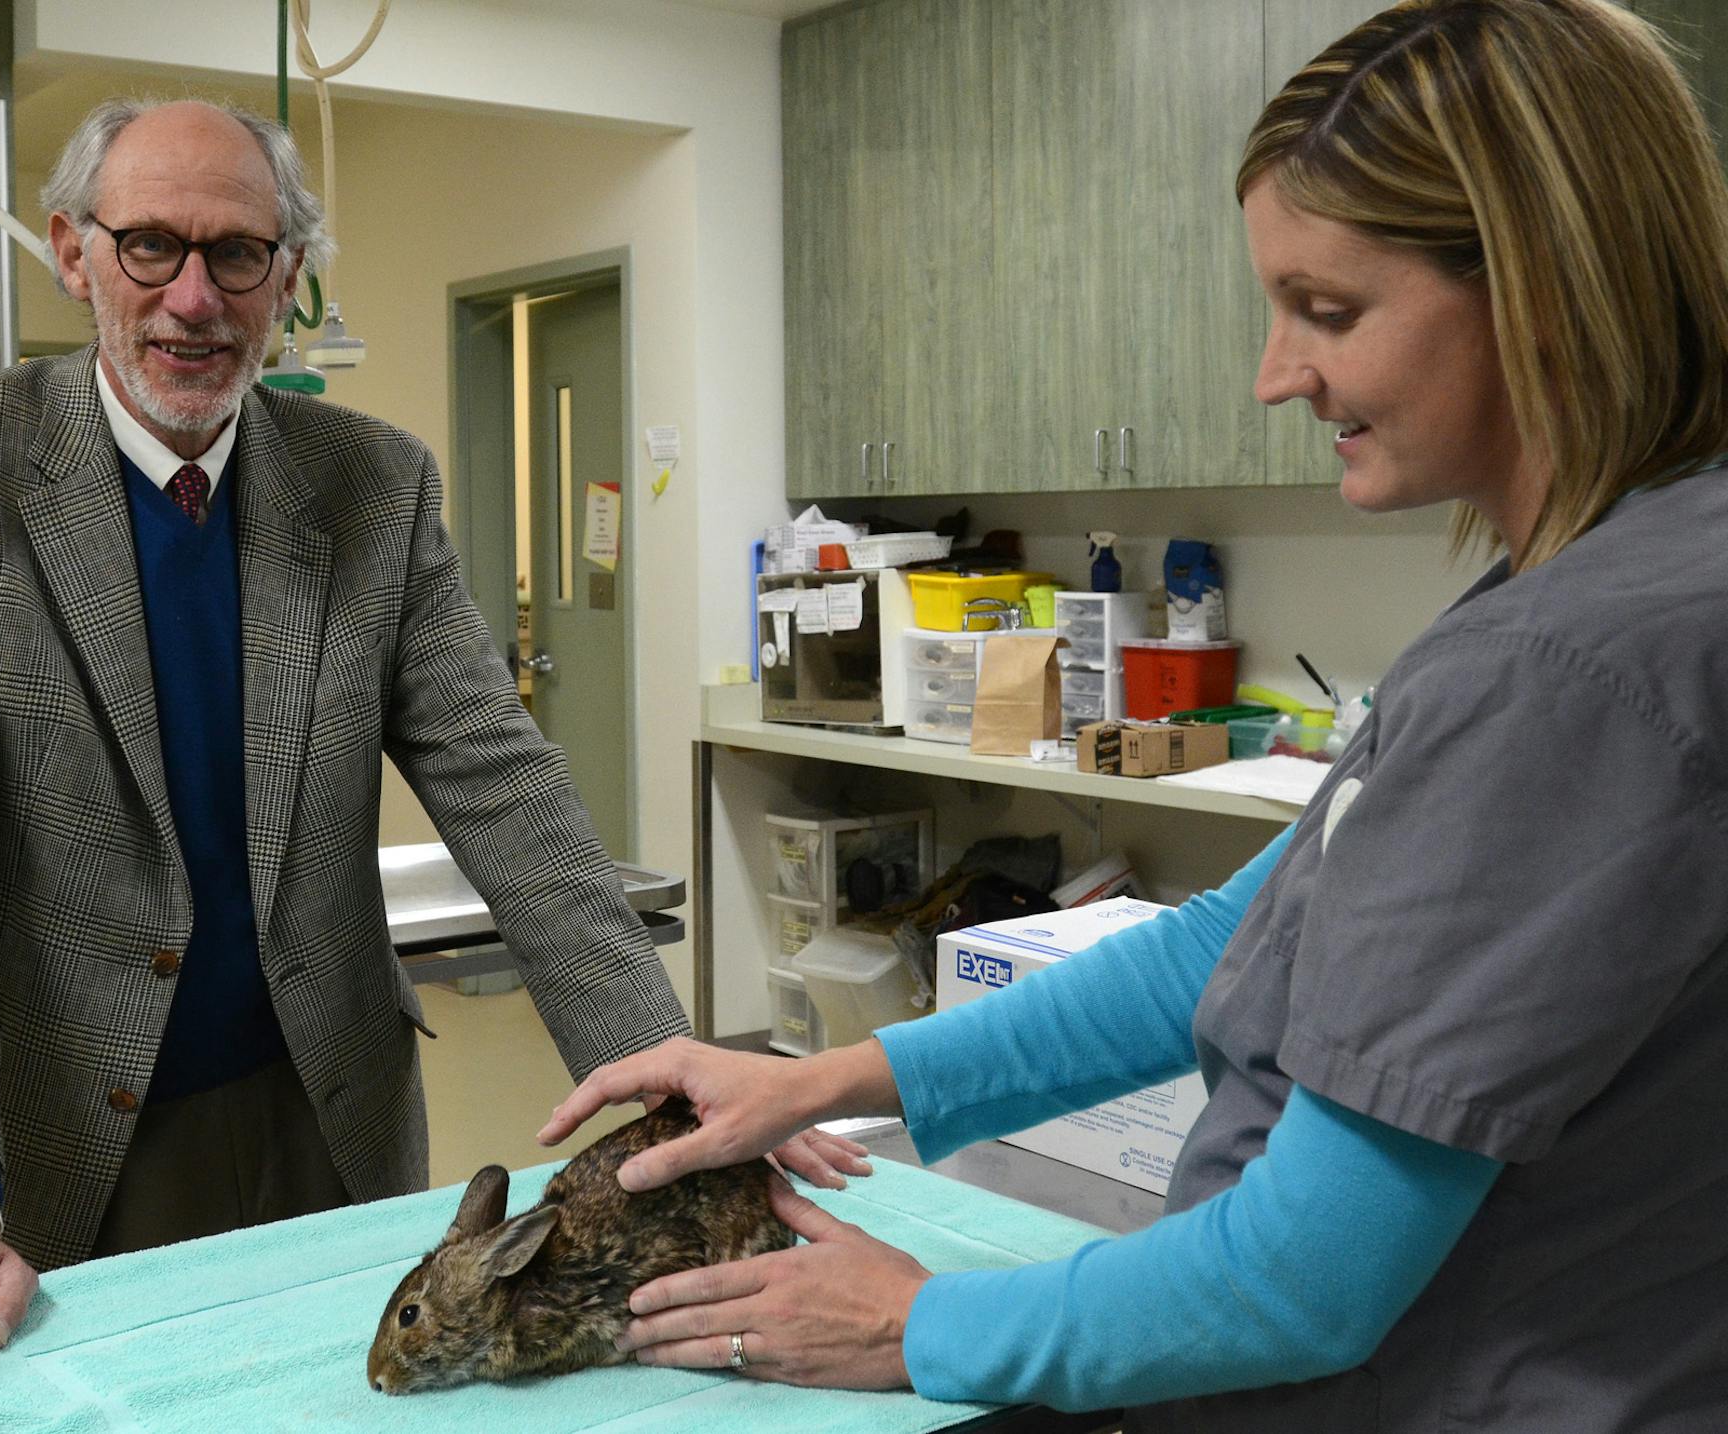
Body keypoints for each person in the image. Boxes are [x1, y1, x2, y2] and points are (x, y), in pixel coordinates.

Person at [541, 2, 1728, 1428]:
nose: (1276, 373)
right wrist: (830, 1078)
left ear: (1544, 286)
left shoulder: (1566, 672)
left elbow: (1299, 1283)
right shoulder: (1640, 578)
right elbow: (1236, 947)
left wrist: (916, 1320)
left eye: (1330, 310)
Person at [0, 97, 864, 1424]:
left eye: (240, 254)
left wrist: (665, 1056)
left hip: (314, 1119)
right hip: (31, 1129)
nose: (195, 296)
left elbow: (505, 786)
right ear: (73, 253)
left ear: (288, 279)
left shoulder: (374, 485)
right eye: (150, 248)